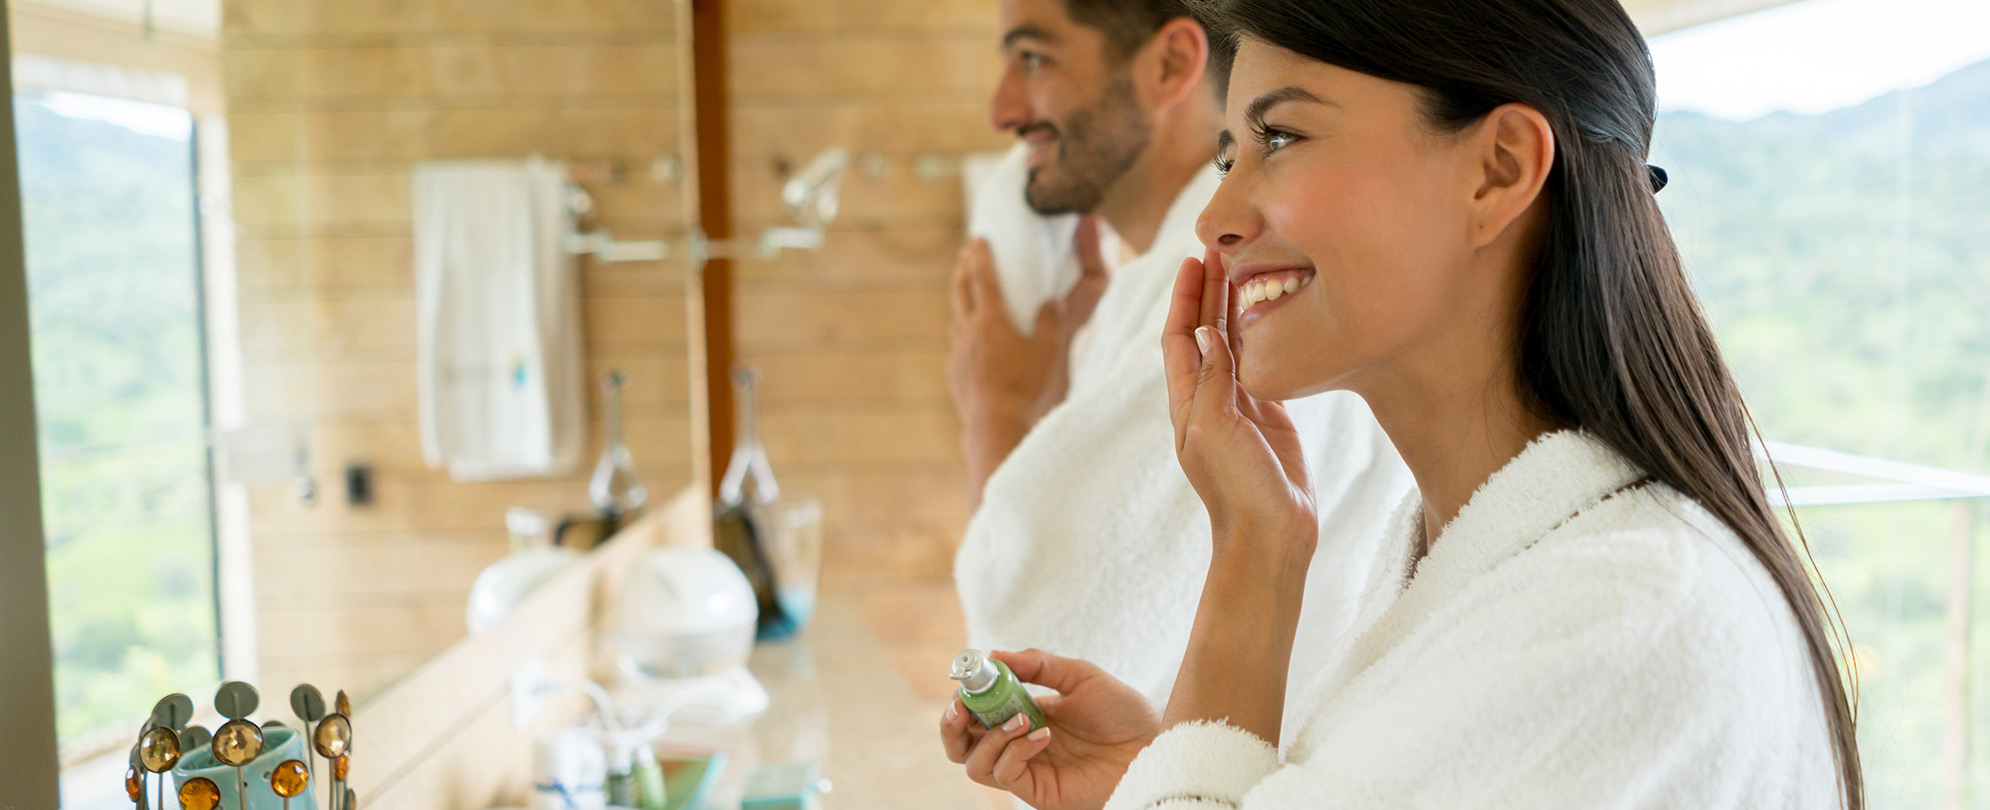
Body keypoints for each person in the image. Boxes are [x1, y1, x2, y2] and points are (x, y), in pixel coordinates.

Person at [939, 0, 1864, 807]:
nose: (1216, 215)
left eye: (1282, 138)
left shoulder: (1620, 619)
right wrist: (1161, 768)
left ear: (1499, 169)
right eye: (1229, 151)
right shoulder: (1471, 572)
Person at [945, 0, 1414, 757]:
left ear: (1168, 65)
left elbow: (1037, 686)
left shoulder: (1234, 298)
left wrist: (995, 408)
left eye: (1033, 58)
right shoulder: (1145, 296)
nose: (1001, 109)